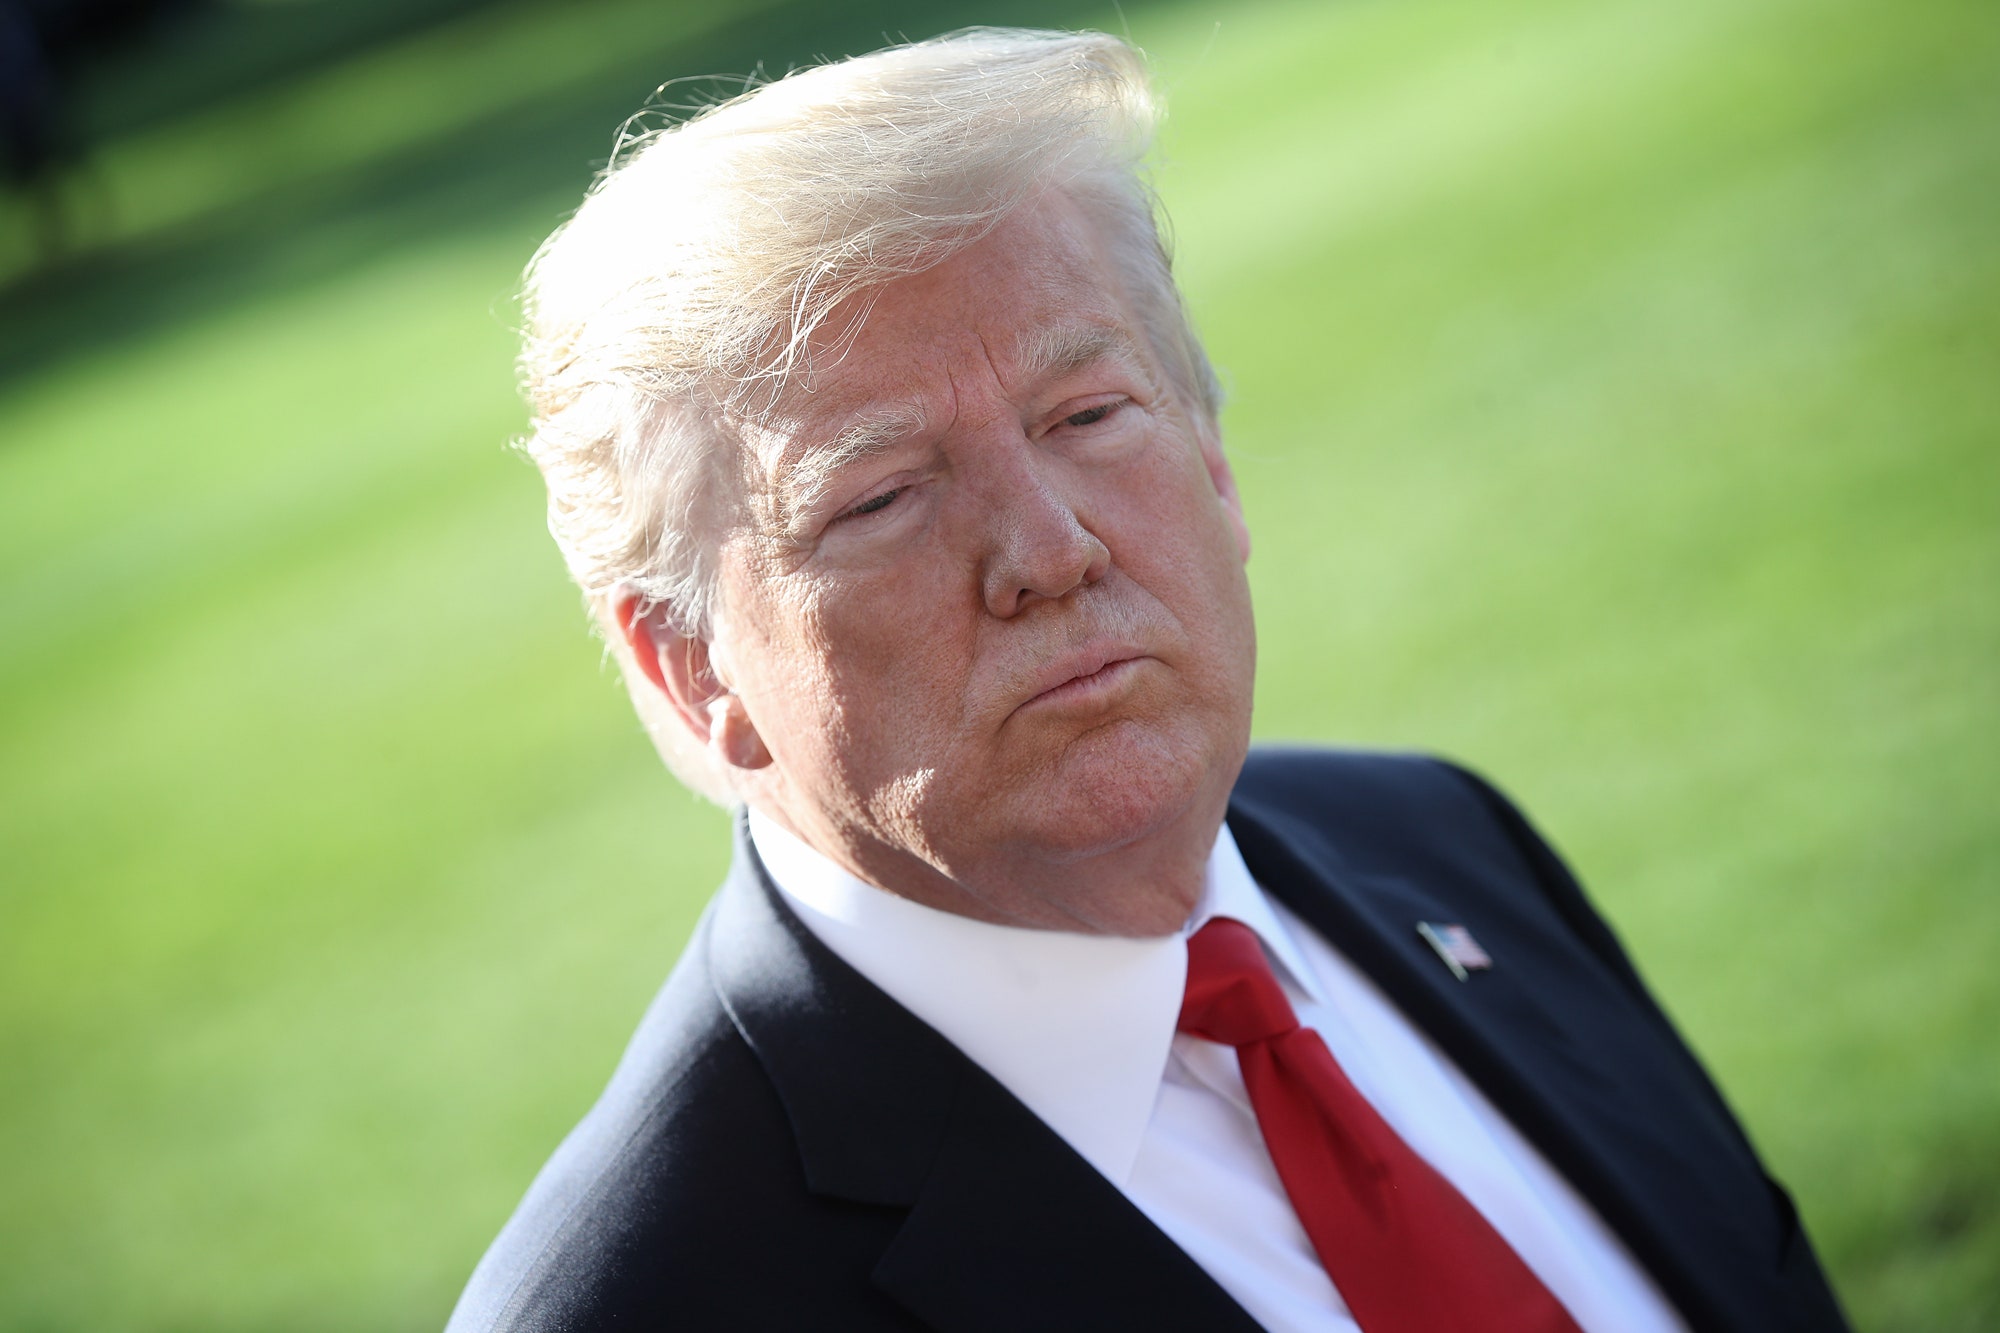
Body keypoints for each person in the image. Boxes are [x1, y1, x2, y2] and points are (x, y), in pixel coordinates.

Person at [447, 28, 1848, 1333]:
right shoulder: (640, 1300)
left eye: (1090, 414)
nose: (1050, 549)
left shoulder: (1444, 844)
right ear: (690, 668)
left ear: (1216, 455)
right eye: (878, 498)